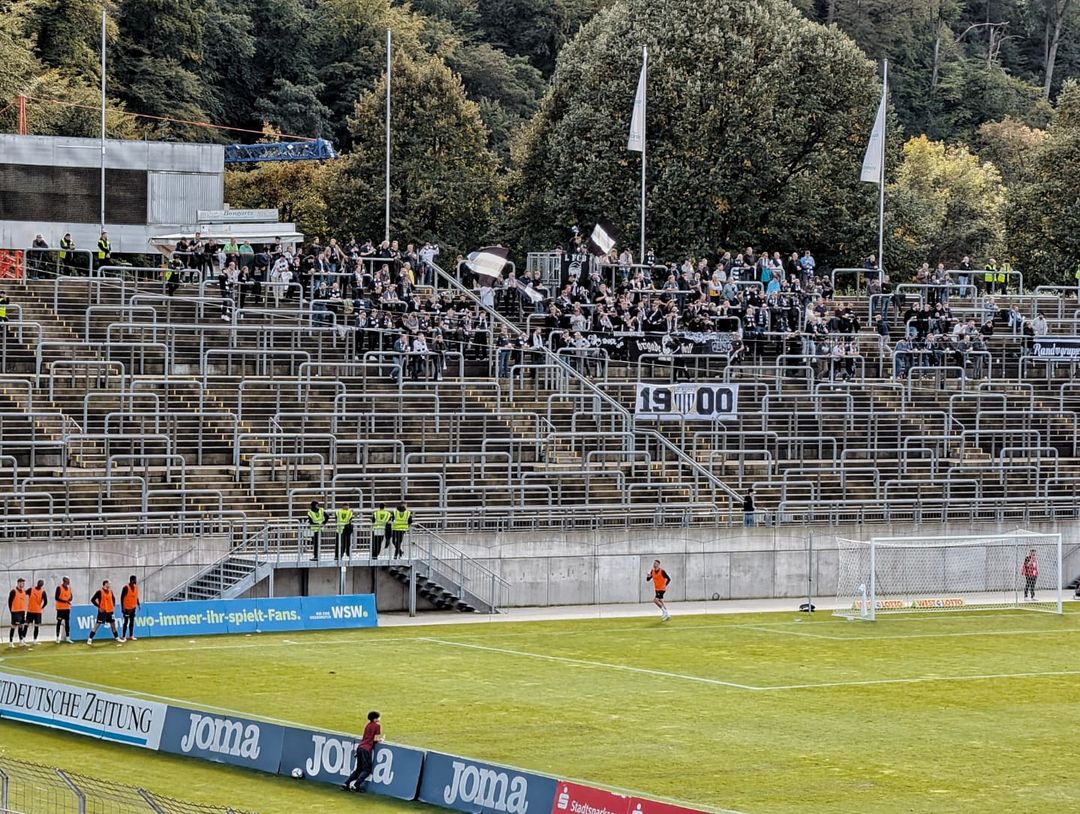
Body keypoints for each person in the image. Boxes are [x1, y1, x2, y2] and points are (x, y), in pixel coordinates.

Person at [342, 711, 384, 792]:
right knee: (367, 769)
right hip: (366, 749)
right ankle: (356, 785)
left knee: (359, 769)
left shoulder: (368, 725)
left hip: (360, 747)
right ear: (375, 718)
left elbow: (365, 737)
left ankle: (346, 783)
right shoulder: (377, 726)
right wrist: (380, 740)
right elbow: (375, 739)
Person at [87, 579, 122, 645]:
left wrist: (113, 606)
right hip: (102, 611)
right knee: (97, 625)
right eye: (109, 583)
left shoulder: (110, 591)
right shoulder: (99, 591)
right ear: (105, 584)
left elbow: (113, 598)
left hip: (110, 611)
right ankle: (90, 639)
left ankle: (117, 638)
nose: (110, 585)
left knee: (113, 625)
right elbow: (92, 600)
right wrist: (99, 606)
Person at [8, 577, 29, 648]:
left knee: (21, 626)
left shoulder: (24, 591)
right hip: (15, 612)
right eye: (21, 583)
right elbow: (9, 602)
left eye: (23, 583)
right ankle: (11, 642)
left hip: (22, 612)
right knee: (13, 626)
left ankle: (21, 641)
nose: (22, 584)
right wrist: (11, 611)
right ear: (18, 583)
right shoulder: (13, 591)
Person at [26, 579, 47, 645]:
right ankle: (23, 639)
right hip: (30, 611)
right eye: (39, 583)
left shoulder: (43, 592)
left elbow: (46, 601)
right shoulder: (31, 589)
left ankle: (35, 640)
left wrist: (41, 607)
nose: (40, 584)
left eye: (41, 584)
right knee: (26, 625)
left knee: (36, 626)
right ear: (37, 583)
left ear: (42, 585)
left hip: (37, 612)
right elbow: (24, 593)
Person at [120, 575, 140, 641]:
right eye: (135, 580)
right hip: (126, 609)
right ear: (132, 580)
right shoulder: (126, 587)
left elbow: (136, 596)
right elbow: (122, 598)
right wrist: (122, 608)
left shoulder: (136, 587)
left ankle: (131, 635)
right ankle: (123, 636)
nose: (136, 581)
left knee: (132, 622)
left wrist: (138, 604)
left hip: (133, 608)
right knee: (125, 622)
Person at [54, 576, 73, 643]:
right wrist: (65, 601)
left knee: (67, 622)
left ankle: (68, 637)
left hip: (67, 608)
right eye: (68, 580)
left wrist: (69, 599)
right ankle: (57, 637)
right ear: (64, 580)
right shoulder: (59, 587)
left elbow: (71, 597)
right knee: (59, 622)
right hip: (60, 608)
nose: (69, 581)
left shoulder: (69, 588)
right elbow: (56, 598)